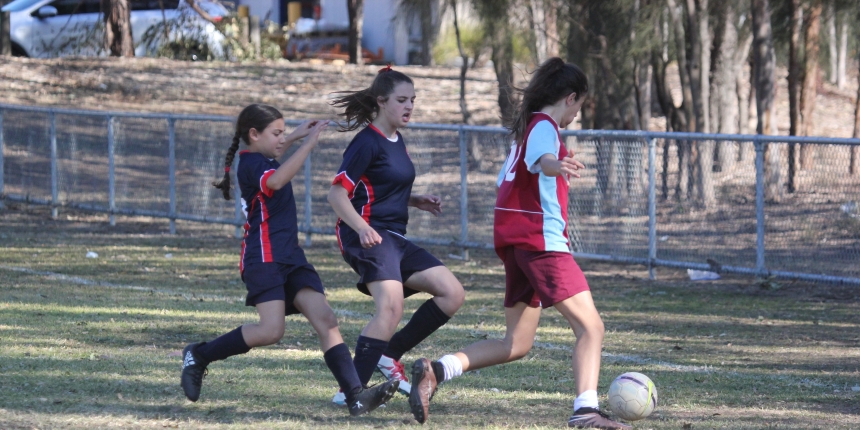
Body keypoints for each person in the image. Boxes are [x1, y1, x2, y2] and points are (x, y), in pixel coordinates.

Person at [407, 58, 631, 429]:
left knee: (517, 343)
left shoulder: (526, 131)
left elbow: (507, 181)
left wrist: (553, 168)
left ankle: (437, 371)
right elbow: (542, 161)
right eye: (579, 105)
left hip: (517, 244)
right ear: (570, 98)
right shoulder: (544, 127)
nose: (577, 114)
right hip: (541, 244)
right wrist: (554, 165)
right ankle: (586, 411)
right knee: (591, 328)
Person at [179, 104, 398, 416]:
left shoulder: (262, 155)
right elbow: (275, 181)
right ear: (253, 135)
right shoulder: (252, 163)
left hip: (291, 257)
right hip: (264, 256)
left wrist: (295, 135)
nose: (282, 138)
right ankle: (199, 355)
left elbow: (276, 155)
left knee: (325, 319)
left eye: (283, 132)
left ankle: (355, 396)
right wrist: (307, 144)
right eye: (276, 133)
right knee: (271, 331)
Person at [326, 66, 465, 405]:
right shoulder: (366, 142)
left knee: (452, 293)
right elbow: (336, 194)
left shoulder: (396, 140)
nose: (409, 106)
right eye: (402, 100)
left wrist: (414, 200)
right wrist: (362, 227)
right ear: (381, 101)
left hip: (394, 238)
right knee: (390, 307)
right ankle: (352, 393)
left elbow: (382, 187)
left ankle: (390, 354)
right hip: (366, 236)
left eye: (413, 100)